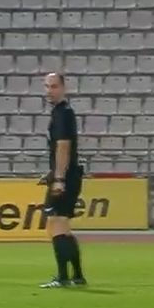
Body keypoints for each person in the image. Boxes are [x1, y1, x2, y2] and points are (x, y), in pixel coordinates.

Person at [39, 73, 86, 289]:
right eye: (47, 86)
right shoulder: (63, 112)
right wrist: (52, 174)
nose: (49, 90)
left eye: (54, 86)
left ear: (63, 88)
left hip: (65, 177)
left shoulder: (62, 113)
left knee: (55, 223)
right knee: (64, 226)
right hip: (70, 174)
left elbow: (63, 147)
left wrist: (58, 178)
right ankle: (77, 275)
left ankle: (62, 277)